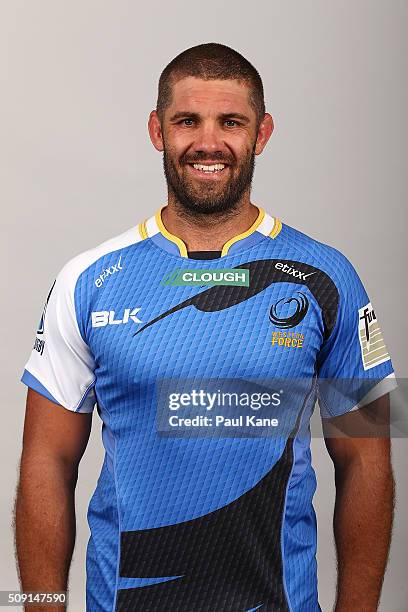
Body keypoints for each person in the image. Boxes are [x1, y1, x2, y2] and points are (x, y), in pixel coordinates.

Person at [15, 42, 397, 612]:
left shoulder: (329, 277)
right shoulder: (88, 279)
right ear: (157, 130)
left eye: (232, 122)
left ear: (262, 133)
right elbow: (45, 461)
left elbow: (368, 460)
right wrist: (41, 608)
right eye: (187, 121)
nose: (208, 143)